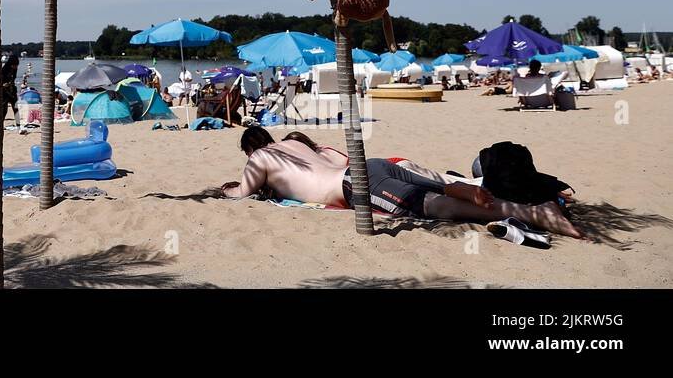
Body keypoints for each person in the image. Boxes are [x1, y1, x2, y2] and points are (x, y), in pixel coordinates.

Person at [221, 127, 584, 238]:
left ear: (249, 149)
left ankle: (536, 213)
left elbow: (242, 194)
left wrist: (225, 190)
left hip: (356, 186)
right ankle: (461, 184)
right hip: (370, 167)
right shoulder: (295, 143)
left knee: (439, 208)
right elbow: (341, 160)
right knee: (438, 190)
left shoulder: (260, 158)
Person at [1, 53, 20, 126]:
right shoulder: (4, 70)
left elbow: (13, 79)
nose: (16, 67)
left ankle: (18, 124)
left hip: (12, 91)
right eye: (14, 65)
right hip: (4, 92)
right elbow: (0, 81)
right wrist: (4, 85)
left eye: (16, 65)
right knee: (4, 110)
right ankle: (1, 124)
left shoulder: (15, 70)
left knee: (16, 108)